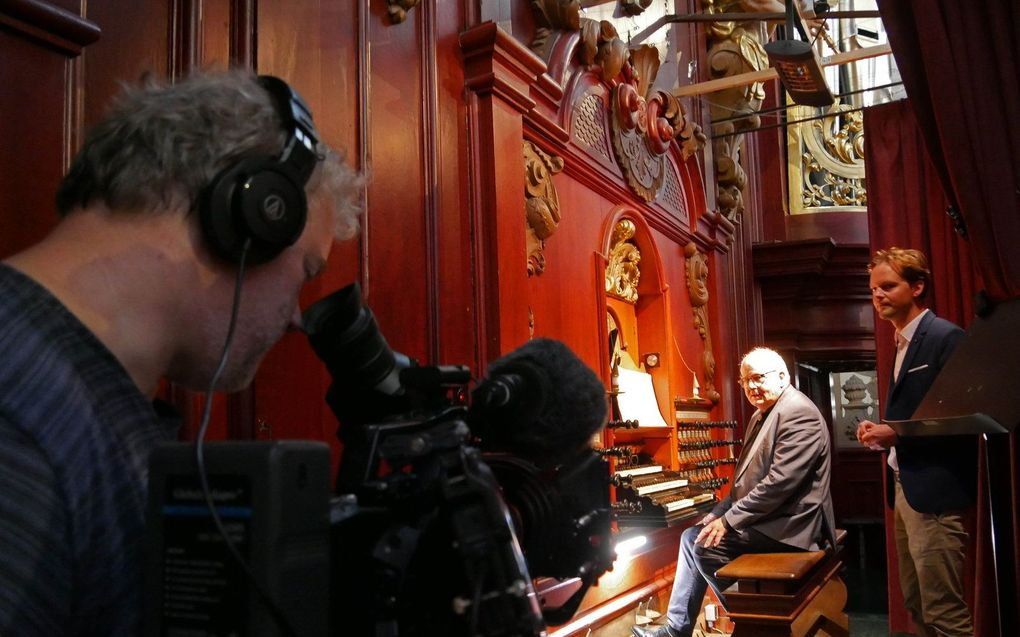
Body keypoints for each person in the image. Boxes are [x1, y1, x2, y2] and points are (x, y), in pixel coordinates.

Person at [0, 71, 361, 635]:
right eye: (305, 272)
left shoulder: (75, 399)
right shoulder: (19, 431)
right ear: (250, 217)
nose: (297, 316)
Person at [632, 347, 835, 637]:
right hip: (772, 517)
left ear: (781, 376)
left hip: (792, 525)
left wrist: (728, 521)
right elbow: (746, 484)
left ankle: (760, 622)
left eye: (757, 378)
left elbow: (780, 484)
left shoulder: (798, 413)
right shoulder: (763, 414)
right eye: (744, 381)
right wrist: (716, 512)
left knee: (702, 545)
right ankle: (680, 629)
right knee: (694, 536)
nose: (751, 387)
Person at [856, 247, 975, 636]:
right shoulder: (902, 341)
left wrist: (898, 433)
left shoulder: (944, 336)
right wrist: (884, 433)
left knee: (943, 611)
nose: (878, 295)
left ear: (917, 286)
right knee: (917, 605)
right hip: (906, 487)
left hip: (936, 493)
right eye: (874, 288)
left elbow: (963, 418)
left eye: (888, 286)